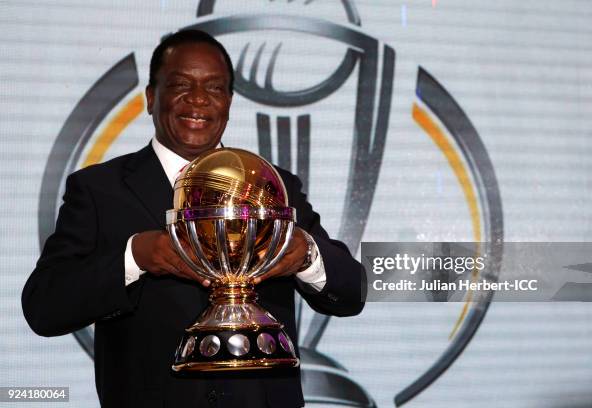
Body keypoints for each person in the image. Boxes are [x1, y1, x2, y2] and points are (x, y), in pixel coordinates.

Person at [22, 30, 365, 408]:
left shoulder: (272, 184)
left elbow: (350, 293)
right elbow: (45, 307)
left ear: (230, 102)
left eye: (214, 88)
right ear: (151, 97)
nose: (199, 99)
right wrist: (134, 257)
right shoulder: (99, 190)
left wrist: (307, 256)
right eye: (181, 85)